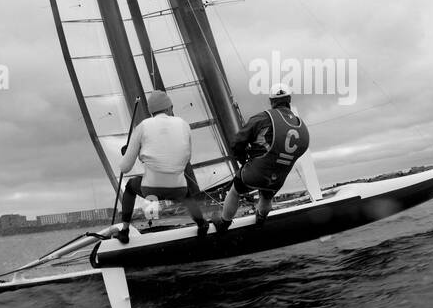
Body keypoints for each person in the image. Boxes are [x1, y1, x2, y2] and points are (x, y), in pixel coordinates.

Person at [115, 90, 208, 243]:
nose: (172, 110)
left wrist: (134, 153)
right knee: (185, 192)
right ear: (167, 108)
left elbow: (125, 168)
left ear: (152, 111)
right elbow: (186, 157)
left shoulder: (143, 126)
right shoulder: (183, 124)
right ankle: (201, 223)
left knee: (131, 186)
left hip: (151, 190)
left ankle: (124, 231)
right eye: (171, 107)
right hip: (179, 190)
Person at [214, 84, 310, 231]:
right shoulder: (301, 125)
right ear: (289, 100)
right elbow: (302, 148)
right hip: (278, 178)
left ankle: (224, 223)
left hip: (255, 173)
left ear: (271, 101)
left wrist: (242, 158)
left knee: (235, 190)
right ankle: (261, 219)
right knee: (266, 196)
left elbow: (237, 143)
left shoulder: (261, 118)